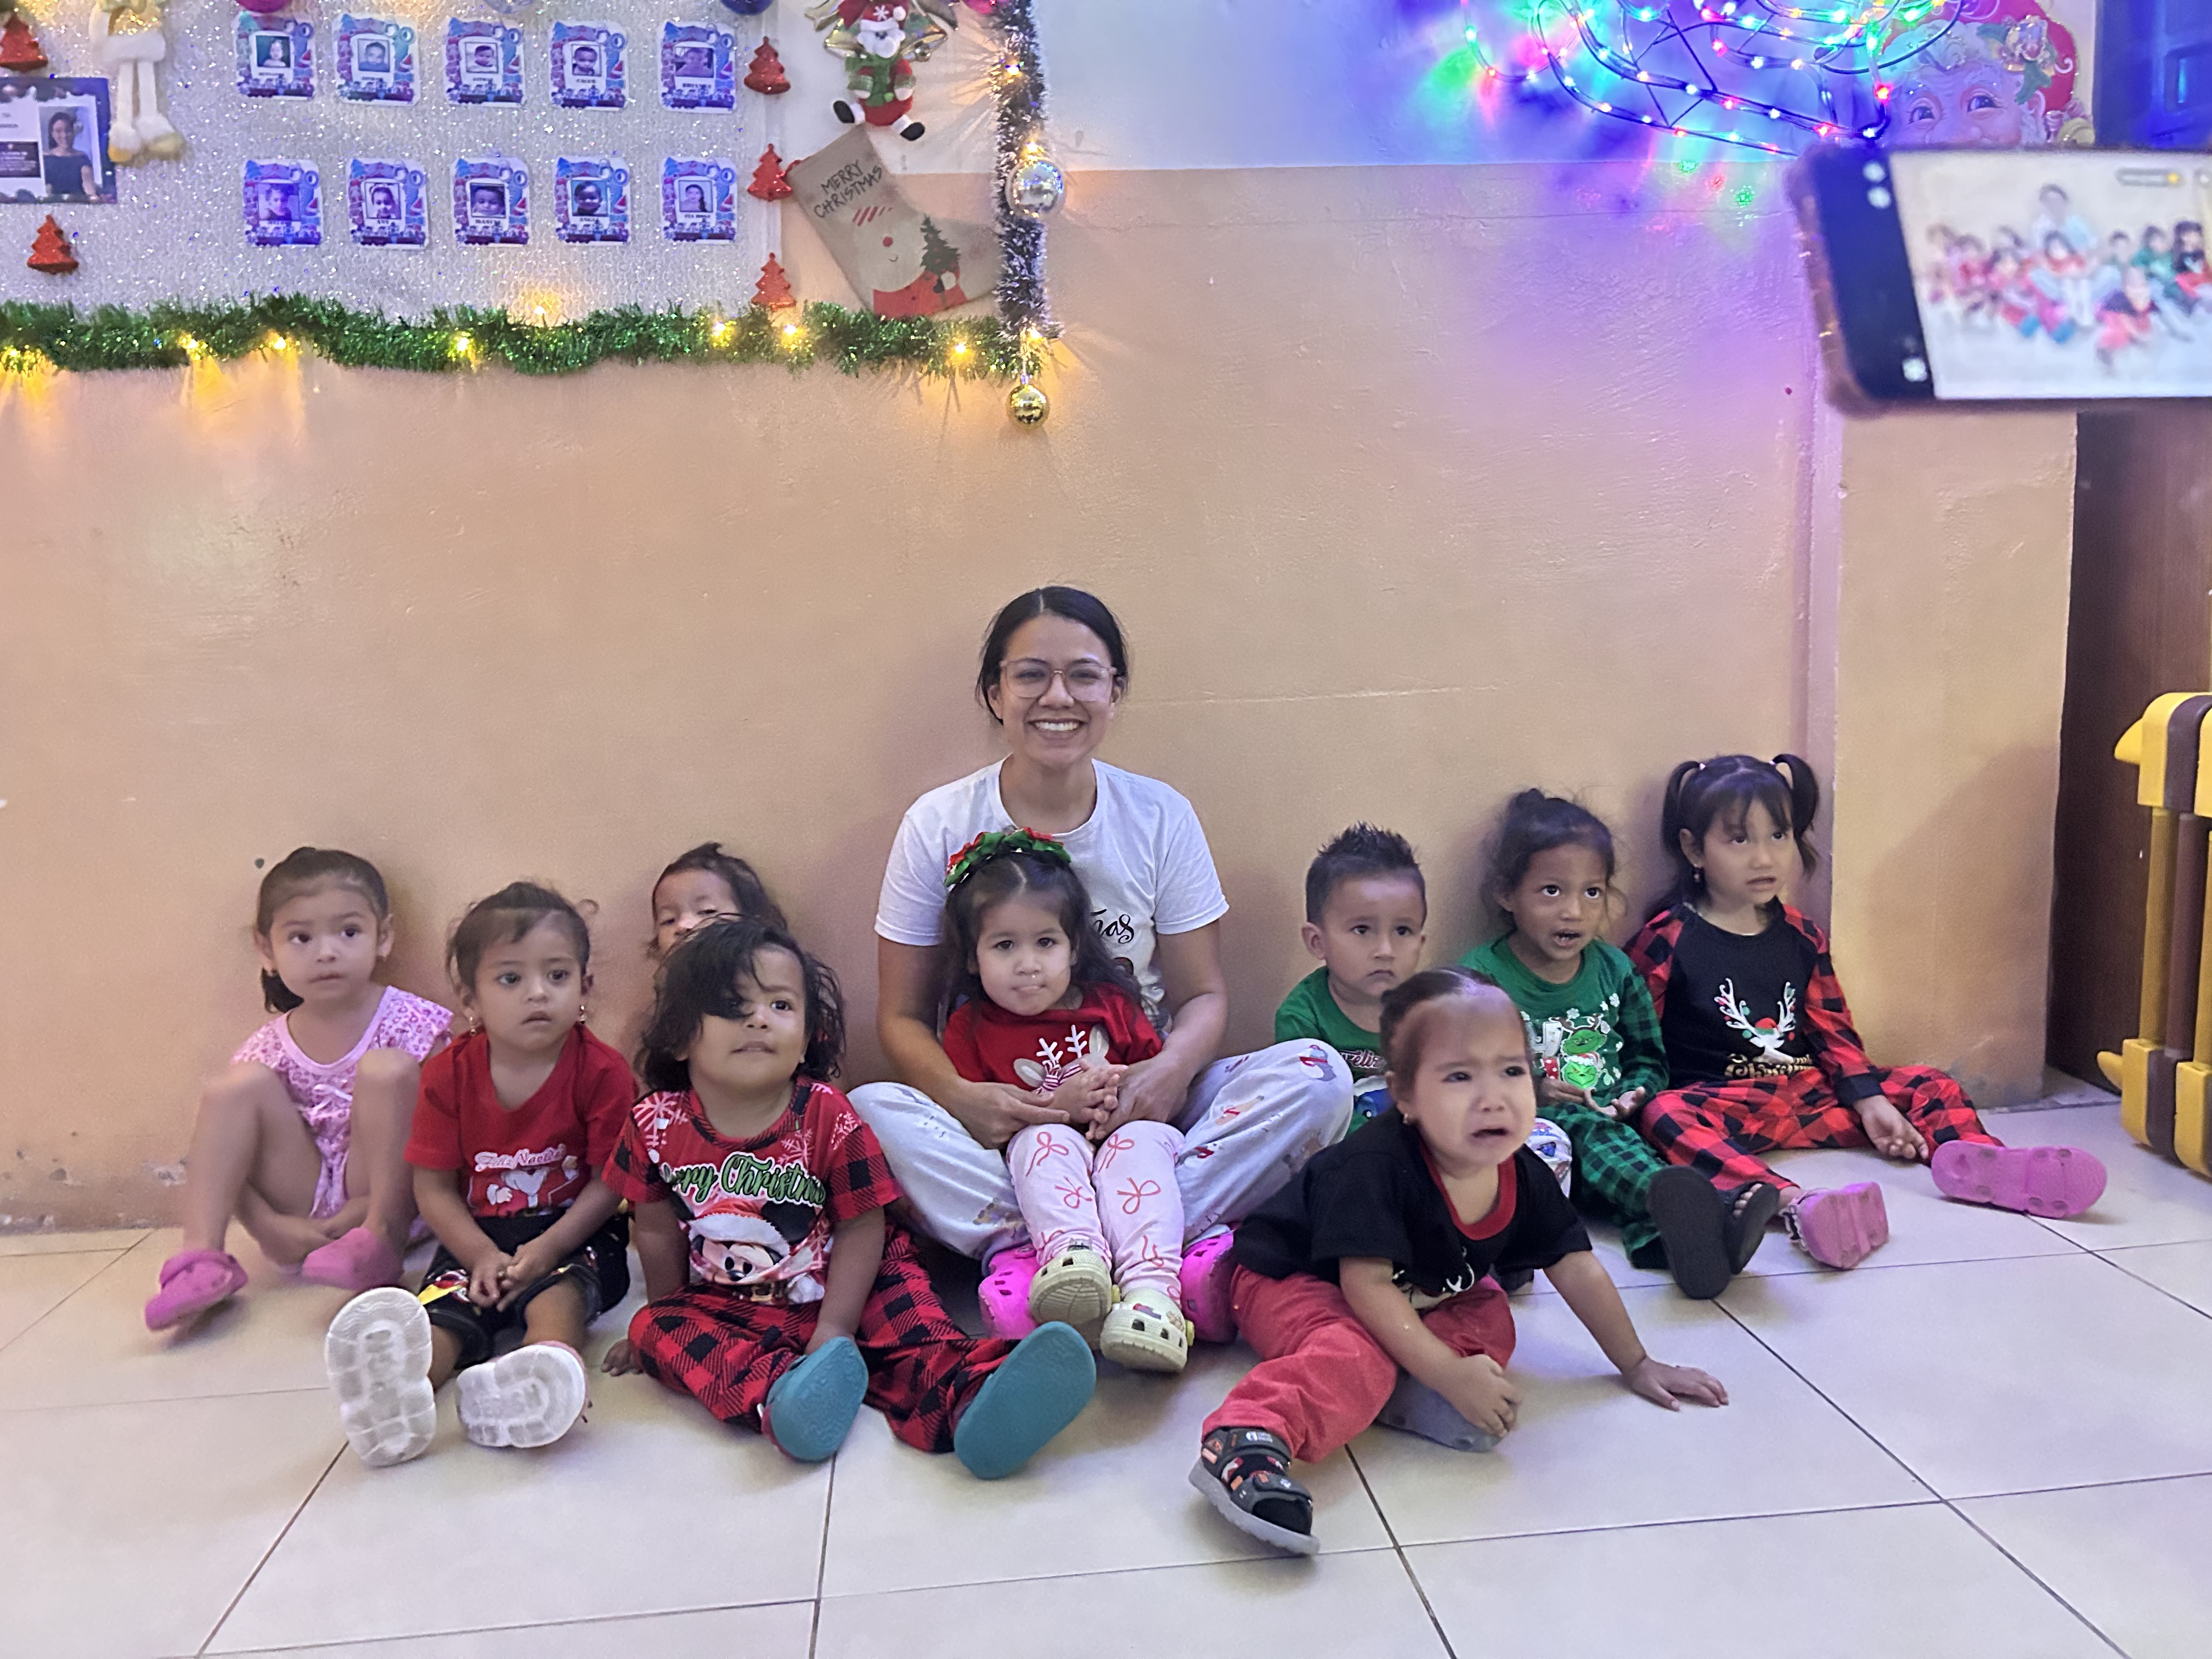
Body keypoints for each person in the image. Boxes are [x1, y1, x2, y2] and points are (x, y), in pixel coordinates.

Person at [851, 587, 1353, 1349]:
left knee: (1319, 1077)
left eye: (1084, 675)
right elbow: (901, 1018)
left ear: (1115, 691)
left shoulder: (1159, 816)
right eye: (1031, 675)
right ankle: (1127, 1248)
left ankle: (1068, 1253)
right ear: (994, 693)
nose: (1058, 697)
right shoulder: (938, 824)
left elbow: (1203, 995)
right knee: (868, 1112)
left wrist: (1167, 1075)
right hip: (1008, 1121)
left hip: (1140, 1110)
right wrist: (965, 1098)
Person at [1188, 968, 1726, 1556]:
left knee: (1491, 1315)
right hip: (1293, 1277)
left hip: (1418, 1287)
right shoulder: (1373, 1167)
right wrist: (1447, 1371)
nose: (1492, 1097)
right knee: (1354, 1350)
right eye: (1460, 1076)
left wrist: (1638, 1363)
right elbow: (1365, 1287)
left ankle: (1402, 1383)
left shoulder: (1520, 1171)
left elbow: (1576, 1265)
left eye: (1511, 1071)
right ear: (1406, 1097)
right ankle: (1247, 1438)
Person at [600, 916, 1096, 1476]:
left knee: (915, 1332)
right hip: (735, 1303)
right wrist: (671, 1312)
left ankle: (974, 1396)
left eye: (780, 1005)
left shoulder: (827, 1115)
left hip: (855, 1282)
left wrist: (835, 1327)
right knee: (653, 1326)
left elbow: (863, 1225)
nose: (759, 1019)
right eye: (734, 1006)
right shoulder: (654, 1125)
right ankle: (786, 1394)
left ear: (808, 1037)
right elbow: (655, 1228)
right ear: (680, 1034)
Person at [1627, 755, 2108, 1272]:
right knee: (1664, 1114)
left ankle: (1980, 1163)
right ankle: (1793, 1204)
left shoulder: (1802, 935)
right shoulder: (1668, 940)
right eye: (1739, 840)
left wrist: (1871, 1101)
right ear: (1693, 849)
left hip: (1808, 1095)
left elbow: (1833, 1033)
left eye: (1779, 836)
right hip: (1722, 1105)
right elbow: (1635, 1041)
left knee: (1930, 1083)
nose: (1764, 857)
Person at [324, 883, 633, 1466]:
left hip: (575, 1231)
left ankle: (541, 1374)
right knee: (447, 1309)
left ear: (585, 987)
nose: (538, 992)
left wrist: (547, 1248)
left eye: (558, 975)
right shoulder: (447, 1075)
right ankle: (402, 1395)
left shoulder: (603, 1072)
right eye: (511, 979)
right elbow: (433, 1188)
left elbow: (609, 1184)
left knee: (559, 1293)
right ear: (471, 997)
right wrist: (480, 1255)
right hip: (478, 1235)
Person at [1461, 791, 1774, 1300]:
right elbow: (1463, 1072)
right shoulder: (1481, 981)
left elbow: (1648, 1057)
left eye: (1592, 892)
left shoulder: (1615, 969)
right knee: (1592, 1134)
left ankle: (1680, 1245)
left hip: (1616, 1126)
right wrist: (1532, 1088)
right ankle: (1711, 1213)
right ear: (1506, 893)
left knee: (1653, 1135)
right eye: (1551, 891)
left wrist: (1636, 1092)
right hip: (1535, 1134)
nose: (1573, 912)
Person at [145, 849, 452, 1331]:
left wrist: (370, 1211)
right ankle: (201, 1258)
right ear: (266, 950)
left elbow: (447, 1130)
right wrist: (267, 1225)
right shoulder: (267, 1047)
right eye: (301, 938)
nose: (326, 952)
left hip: (386, 1198)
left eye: (348, 932)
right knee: (232, 1090)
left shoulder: (413, 1022)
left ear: (383, 937)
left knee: (387, 1070)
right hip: (301, 1204)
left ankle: (380, 1240)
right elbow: (232, 1155)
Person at [939, 830, 1187, 1372]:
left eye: (1045, 943)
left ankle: (1152, 1294)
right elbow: (979, 1126)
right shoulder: (970, 1028)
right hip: (1042, 1180)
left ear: (1074, 947)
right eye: (1005, 946)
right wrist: (1058, 1103)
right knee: (1042, 1140)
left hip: (1126, 1149)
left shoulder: (1111, 1004)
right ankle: (1076, 1262)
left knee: (1140, 1143)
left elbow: (1162, 1083)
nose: (1028, 964)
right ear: (974, 959)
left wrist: (1116, 1091)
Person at [649, 840, 786, 958]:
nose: (683, 925)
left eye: (707, 912)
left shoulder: (771, 970)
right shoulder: (672, 981)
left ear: (752, 921)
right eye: (669, 920)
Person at [41, 111, 97, 202]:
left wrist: (94, 198)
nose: (64, 135)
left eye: (68, 131)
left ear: (73, 132)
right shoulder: (45, 160)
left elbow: (89, 186)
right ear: (52, 134)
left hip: (78, 205)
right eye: (59, 131)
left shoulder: (82, 159)